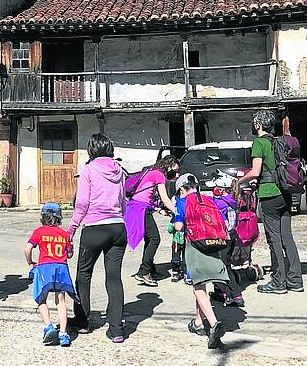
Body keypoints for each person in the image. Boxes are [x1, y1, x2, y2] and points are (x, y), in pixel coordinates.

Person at [234, 110, 302, 295]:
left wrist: (239, 181)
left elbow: (255, 171)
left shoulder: (260, 143)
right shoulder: (278, 142)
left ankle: (278, 281)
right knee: (287, 236)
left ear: (258, 125)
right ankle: (295, 280)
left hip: (269, 195)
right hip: (285, 193)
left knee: (274, 239)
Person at [67, 133, 126, 343]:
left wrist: (72, 228)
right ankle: (117, 329)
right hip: (118, 228)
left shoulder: (89, 170)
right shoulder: (119, 170)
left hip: (94, 228)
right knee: (114, 277)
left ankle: (82, 322)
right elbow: (123, 201)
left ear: (91, 150)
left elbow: (82, 203)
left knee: (83, 275)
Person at [173, 174, 227, 349]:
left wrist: (174, 222)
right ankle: (198, 323)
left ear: (182, 189)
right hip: (213, 244)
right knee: (202, 285)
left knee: (197, 287)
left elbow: (179, 227)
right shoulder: (208, 199)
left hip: (195, 246)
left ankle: (213, 324)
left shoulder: (183, 202)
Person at [24, 203, 78, 347]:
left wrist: (30, 263)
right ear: (59, 217)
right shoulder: (64, 234)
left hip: (44, 269)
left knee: (41, 298)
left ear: (42, 216)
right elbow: (70, 255)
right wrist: (70, 244)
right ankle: (64, 333)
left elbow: (28, 248)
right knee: (60, 301)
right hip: (61, 269)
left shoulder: (39, 231)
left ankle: (49, 326)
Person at [125, 151, 178, 287]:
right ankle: (144, 272)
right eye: (175, 171)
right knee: (155, 239)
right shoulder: (159, 174)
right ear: (170, 166)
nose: (176, 175)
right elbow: (165, 198)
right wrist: (177, 212)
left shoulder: (152, 171)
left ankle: (150, 269)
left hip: (138, 207)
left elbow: (146, 196)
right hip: (140, 209)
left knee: (150, 239)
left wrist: (159, 210)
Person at [206, 174, 245, 307]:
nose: (213, 191)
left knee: (222, 266)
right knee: (220, 263)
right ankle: (219, 291)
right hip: (231, 237)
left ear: (221, 189)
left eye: (215, 188)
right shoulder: (231, 199)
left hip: (223, 238)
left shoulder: (222, 202)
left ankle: (235, 295)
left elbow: (208, 204)